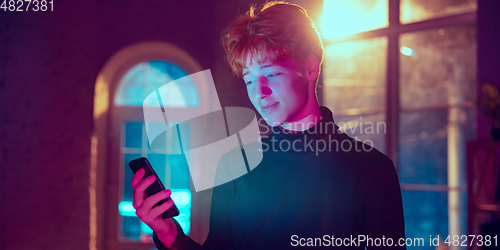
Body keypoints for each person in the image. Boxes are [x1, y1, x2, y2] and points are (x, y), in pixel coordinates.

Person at [131, 1, 406, 249]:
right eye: (249, 79)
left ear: (311, 68)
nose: (258, 92)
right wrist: (169, 234)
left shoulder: (372, 169)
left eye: (271, 73)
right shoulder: (232, 164)